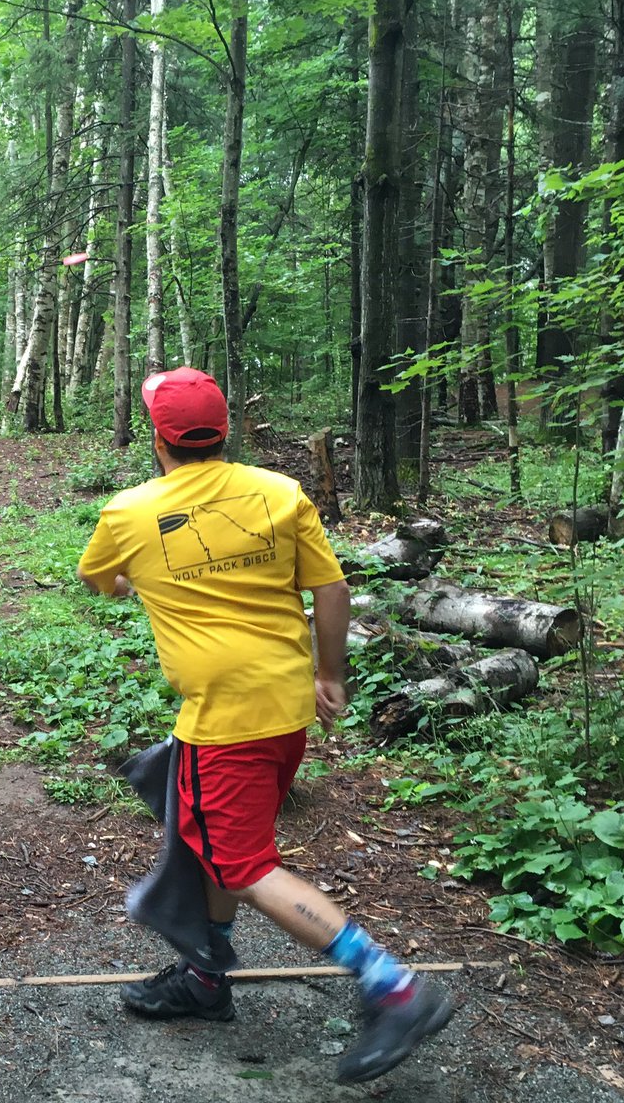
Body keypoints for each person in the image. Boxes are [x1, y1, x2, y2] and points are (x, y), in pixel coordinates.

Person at [76, 367, 453, 1085]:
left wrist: (148, 578)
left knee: (243, 864)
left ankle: (391, 986)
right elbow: (331, 588)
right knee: (216, 845)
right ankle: (205, 978)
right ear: (224, 431)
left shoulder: (128, 513)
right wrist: (332, 675)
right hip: (284, 708)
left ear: (159, 437)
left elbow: (103, 580)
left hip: (224, 719)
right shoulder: (281, 491)